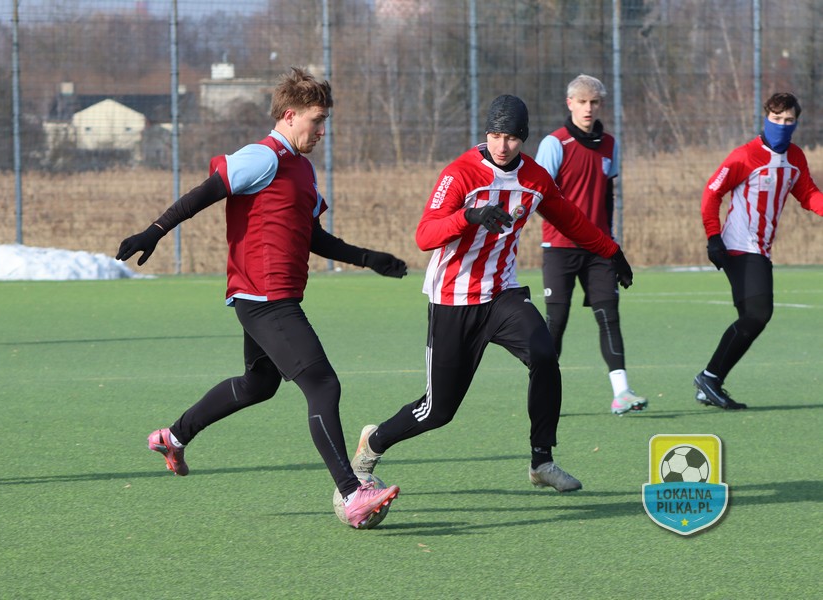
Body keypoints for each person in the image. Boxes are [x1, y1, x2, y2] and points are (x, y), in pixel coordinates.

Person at [116, 67, 406, 528]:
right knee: (323, 385)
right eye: (316, 120)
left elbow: (313, 236)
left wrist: (368, 257)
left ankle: (174, 436)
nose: (322, 131)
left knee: (259, 384)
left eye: (325, 121)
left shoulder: (302, 168)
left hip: (269, 295)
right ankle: (353, 494)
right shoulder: (262, 157)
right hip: (266, 298)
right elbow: (204, 194)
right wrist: (154, 231)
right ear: (289, 116)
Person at [349, 94, 634, 493]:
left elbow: (570, 219)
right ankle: (373, 443)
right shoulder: (460, 174)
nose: (502, 146)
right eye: (496, 136)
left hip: (502, 294)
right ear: (486, 134)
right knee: (438, 410)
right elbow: (424, 236)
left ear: (524, 138)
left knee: (544, 354)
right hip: (453, 300)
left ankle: (542, 460)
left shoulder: (535, 179)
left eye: (512, 138)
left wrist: (611, 251)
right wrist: (469, 215)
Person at [695, 91, 823, 410]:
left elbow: (808, 194)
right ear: (766, 118)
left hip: (760, 249)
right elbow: (712, 193)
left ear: (796, 122)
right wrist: (713, 237)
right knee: (758, 314)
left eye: (789, 120)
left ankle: (710, 382)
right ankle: (709, 379)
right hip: (738, 246)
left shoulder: (795, 158)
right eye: (776, 119)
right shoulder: (744, 156)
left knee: (751, 319)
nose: (782, 125)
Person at [535, 74, 647, 416]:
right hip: (559, 247)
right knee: (556, 321)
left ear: (600, 105)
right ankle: (543, 395)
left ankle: (622, 393)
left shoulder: (610, 144)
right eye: (582, 102)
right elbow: (539, 196)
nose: (588, 108)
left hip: (598, 248)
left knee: (609, 316)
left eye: (594, 102)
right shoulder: (554, 143)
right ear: (569, 103)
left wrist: (611, 245)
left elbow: (608, 197)